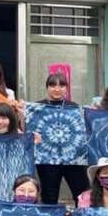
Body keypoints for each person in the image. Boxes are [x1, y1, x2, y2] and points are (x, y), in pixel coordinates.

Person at [33, 73, 89, 206]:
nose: (57, 89)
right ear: (47, 87)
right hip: (47, 159)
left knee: (82, 194)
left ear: (66, 88)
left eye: (61, 85)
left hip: (74, 159)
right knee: (49, 196)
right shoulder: (36, 108)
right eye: (52, 85)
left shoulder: (74, 107)